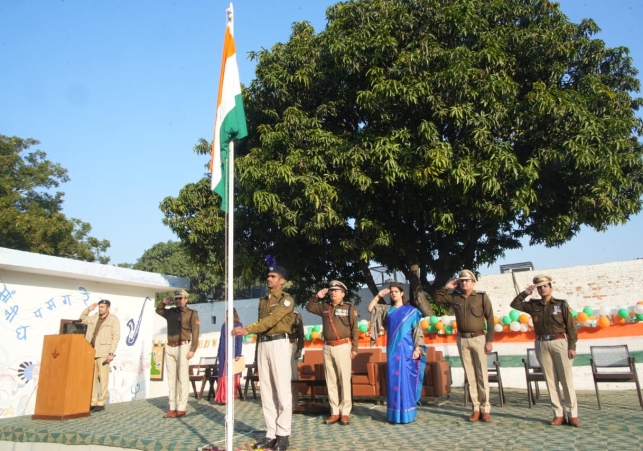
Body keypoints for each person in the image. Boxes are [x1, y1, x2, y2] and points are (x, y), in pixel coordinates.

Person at [231, 264, 294, 451]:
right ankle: (271, 433)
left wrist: (247, 329)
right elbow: (263, 324)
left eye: (273, 276)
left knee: (282, 390)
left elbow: (272, 320)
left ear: (281, 280)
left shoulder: (287, 300)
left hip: (279, 343)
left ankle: (283, 434)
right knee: (266, 391)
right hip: (264, 344)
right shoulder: (262, 300)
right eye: (268, 276)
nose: (269, 279)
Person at [511, 274, 580, 427]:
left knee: (566, 380)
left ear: (550, 287)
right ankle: (558, 414)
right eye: (540, 287)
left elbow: (570, 327)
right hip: (542, 344)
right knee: (551, 381)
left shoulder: (561, 304)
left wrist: (572, 346)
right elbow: (515, 304)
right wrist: (526, 293)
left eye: (545, 286)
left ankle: (572, 414)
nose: (542, 289)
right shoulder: (534, 305)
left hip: (560, 342)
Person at [433, 270, 494, 422]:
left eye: (467, 280)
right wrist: (447, 287)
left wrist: (489, 341)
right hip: (462, 339)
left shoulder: (481, 297)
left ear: (473, 282)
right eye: (462, 281)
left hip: (479, 337)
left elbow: (491, 320)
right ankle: (475, 408)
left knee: (481, 374)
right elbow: (437, 299)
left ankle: (485, 409)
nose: (464, 283)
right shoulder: (455, 297)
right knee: (470, 375)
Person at [367, 282, 425, 424]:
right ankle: (394, 415)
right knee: (394, 380)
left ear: (402, 293)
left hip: (407, 350)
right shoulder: (387, 310)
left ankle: (408, 414)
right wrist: (379, 295)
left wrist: (418, 349)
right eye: (391, 292)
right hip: (392, 350)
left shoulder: (411, 311)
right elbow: (370, 309)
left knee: (406, 380)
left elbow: (417, 331)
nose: (393, 294)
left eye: (396, 291)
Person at [306, 280, 359, 425]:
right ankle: (334, 412)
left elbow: (355, 329)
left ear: (343, 293)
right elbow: (309, 307)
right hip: (327, 347)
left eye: (336, 290)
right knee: (330, 381)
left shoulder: (349, 307)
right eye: (331, 290)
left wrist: (355, 348)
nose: (333, 293)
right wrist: (317, 296)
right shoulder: (325, 306)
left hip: (343, 346)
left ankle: (345, 412)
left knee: (344, 380)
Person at [155, 289, 200, 418]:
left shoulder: (192, 313)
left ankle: (181, 407)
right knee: (172, 379)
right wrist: (163, 302)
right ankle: (172, 407)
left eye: (181, 298)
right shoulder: (171, 312)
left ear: (186, 299)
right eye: (177, 299)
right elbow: (158, 310)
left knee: (183, 379)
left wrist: (192, 349)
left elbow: (195, 333)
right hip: (170, 346)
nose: (179, 301)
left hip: (183, 346)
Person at [80, 299, 121, 412]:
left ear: (108, 308)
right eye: (99, 306)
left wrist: (111, 353)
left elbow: (116, 337)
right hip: (91, 350)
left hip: (104, 351)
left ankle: (101, 402)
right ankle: (93, 401)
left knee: (103, 378)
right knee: (92, 378)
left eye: (102, 307)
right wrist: (88, 309)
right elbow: (82, 319)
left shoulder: (113, 320)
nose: (100, 308)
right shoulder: (94, 317)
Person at [214, 308, 243, 404]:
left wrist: (238, 354)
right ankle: (223, 397)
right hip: (224, 352)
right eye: (227, 314)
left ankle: (231, 395)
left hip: (233, 351)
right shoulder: (224, 326)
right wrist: (218, 353)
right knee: (223, 373)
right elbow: (221, 339)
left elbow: (240, 340)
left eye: (229, 314)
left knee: (232, 373)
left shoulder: (239, 325)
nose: (228, 316)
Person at [289, 310, 305, 411]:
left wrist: (299, 350)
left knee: (293, 375)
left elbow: (301, 335)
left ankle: (293, 403)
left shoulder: (296, 316)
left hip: (291, 345)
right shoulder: (277, 314)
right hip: (279, 345)